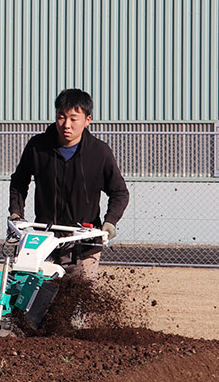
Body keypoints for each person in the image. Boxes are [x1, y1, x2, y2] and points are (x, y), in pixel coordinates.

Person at [8, 88, 129, 281]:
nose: (66, 124)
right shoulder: (38, 147)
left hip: (84, 242)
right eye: (61, 117)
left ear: (87, 120)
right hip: (45, 238)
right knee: (36, 295)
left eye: (74, 118)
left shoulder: (99, 153)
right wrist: (16, 213)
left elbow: (119, 192)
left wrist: (110, 221)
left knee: (81, 300)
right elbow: (19, 181)